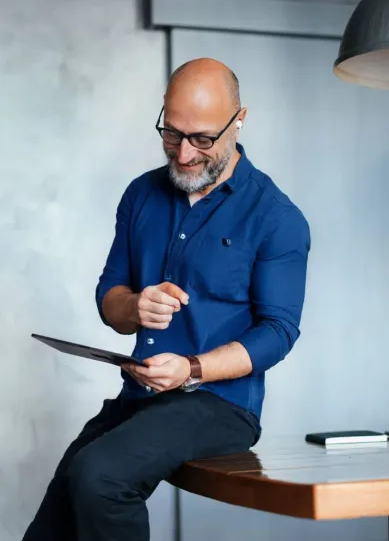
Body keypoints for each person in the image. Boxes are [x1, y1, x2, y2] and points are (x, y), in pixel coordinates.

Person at [23, 58, 311, 541]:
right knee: (58, 514)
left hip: (221, 405)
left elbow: (278, 334)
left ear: (239, 121)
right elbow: (109, 296)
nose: (183, 155)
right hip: (140, 397)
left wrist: (192, 368)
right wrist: (134, 307)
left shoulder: (278, 218)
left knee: (101, 477)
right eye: (172, 135)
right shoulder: (141, 195)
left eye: (202, 139)